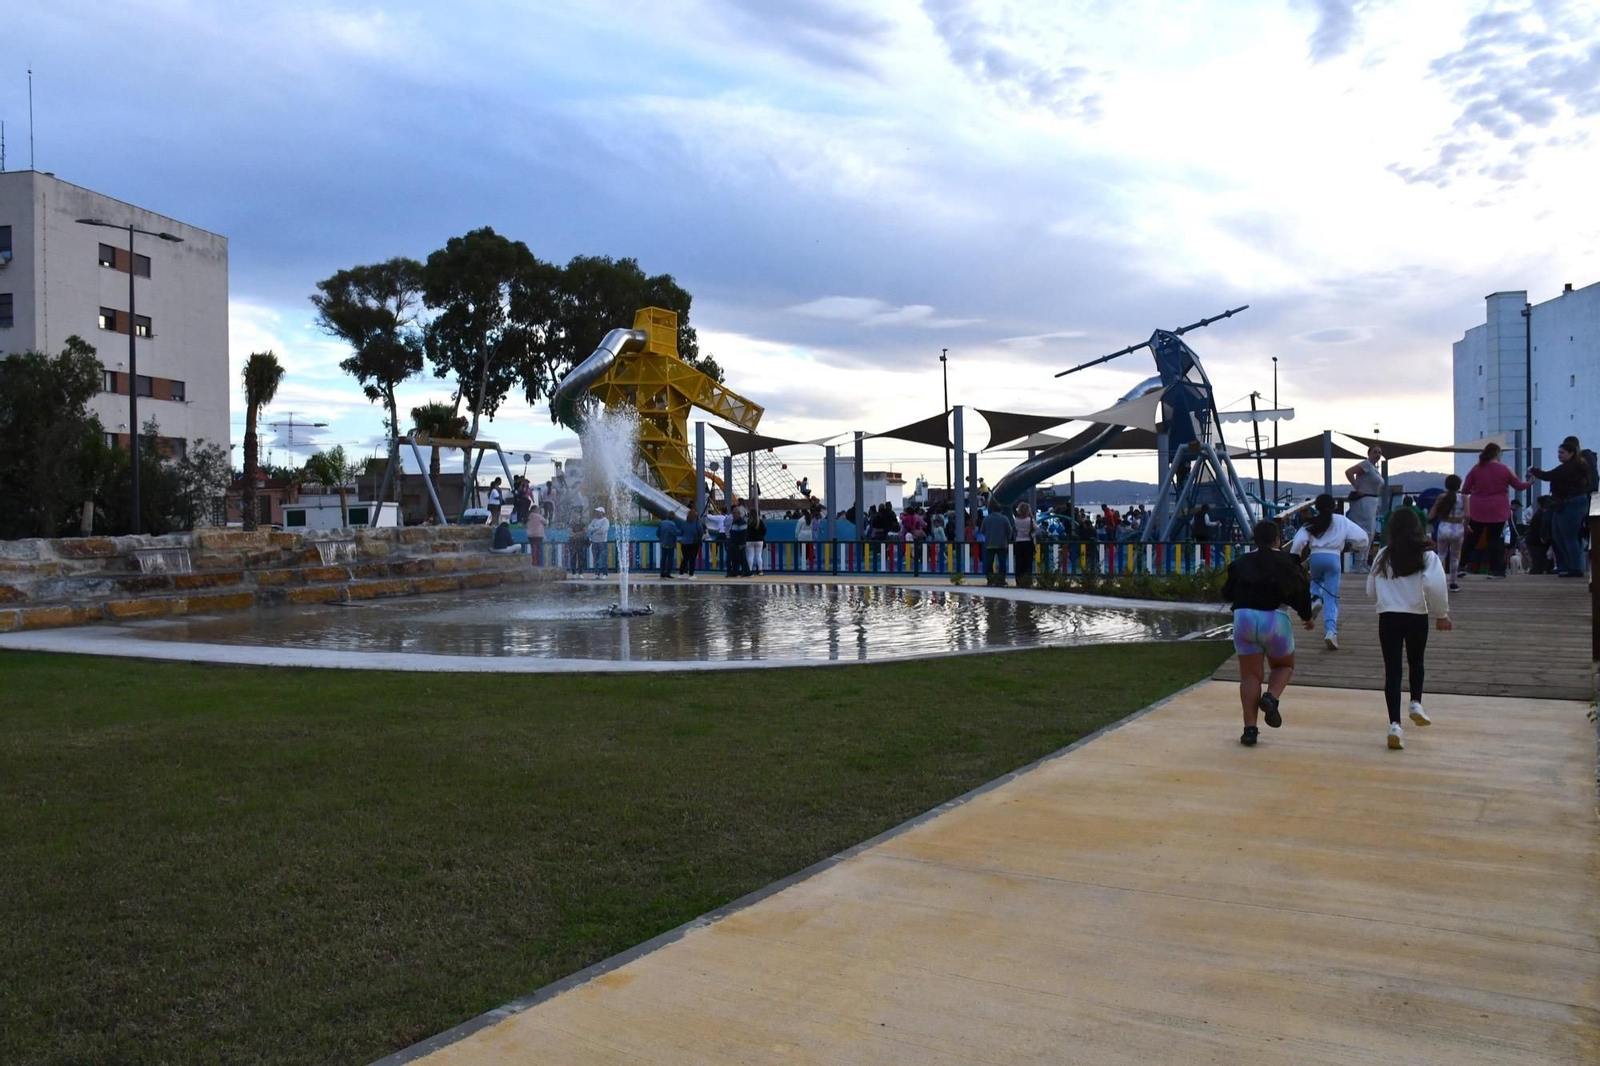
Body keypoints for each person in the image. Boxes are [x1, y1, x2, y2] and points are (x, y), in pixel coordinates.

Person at [1221, 519, 1315, 747]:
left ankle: (1250, 730)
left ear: (1254, 540)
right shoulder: (1287, 562)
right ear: (1278, 540)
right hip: (1274, 619)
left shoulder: (1241, 562)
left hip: (1244, 619)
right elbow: (1300, 591)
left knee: (1250, 677)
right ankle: (1271, 697)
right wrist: (1306, 616)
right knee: (1284, 666)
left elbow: (1227, 592)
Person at [1366, 508, 1452, 750]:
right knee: (1416, 661)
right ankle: (1415, 702)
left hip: (1388, 617)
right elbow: (1435, 586)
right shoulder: (1427, 555)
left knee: (1392, 670)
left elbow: (1370, 590)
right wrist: (1442, 615)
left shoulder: (1383, 554)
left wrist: (1386, 596)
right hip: (1416, 615)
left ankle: (1394, 725)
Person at [1289, 493, 1370, 651]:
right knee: (1331, 596)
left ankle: (1315, 599)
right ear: (1333, 506)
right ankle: (1330, 631)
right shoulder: (1341, 520)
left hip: (1316, 557)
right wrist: (1355, 548)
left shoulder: (1310, 523)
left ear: (1316, 507)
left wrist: (1295, 558)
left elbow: (1298, 542)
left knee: (1316, 581)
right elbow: (1362, 538)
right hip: (1333, 558)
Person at [1460, 442, 1532, 579]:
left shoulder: (1476, 469)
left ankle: (1461, 566)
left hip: (1478, 509)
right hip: (1498, 509)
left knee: (1472, 539)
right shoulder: (1505, 469)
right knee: (1495, 540)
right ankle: (1496, 570)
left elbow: (1465, 490)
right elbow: (1519, 486)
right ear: (1498, 453)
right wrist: (1530, 482)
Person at [1527, 435, 1591, 577]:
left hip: (1570, 503)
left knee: (1568, 536)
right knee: (1558, 535)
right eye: (1558, 452)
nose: (1559, 455)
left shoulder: (1569, 467)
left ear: (1571, 453)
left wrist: (1533, 470)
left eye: (1562, 452)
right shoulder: (1577, 465)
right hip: (1567, 503)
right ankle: (1567, 566)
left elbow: (1548, 476)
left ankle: (1575, 568)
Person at [1344, 445, 1384, 572]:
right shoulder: (1366, 465)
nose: (1377, 454)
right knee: (1364, 531)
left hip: (1372, 501)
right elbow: (1349, 472)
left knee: (1371, 532)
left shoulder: (1374, 468)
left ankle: (1363, 561)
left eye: (1379, 453)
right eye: (1375, 452)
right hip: (1364, 500)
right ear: (1369, 453)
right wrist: (1357, 487)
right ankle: (1358, 562)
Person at [1427, 475, 1468, 591]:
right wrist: (1466, 526)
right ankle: (1453, 583)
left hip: (1443, 527)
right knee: (1455, 557)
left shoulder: (1441, 497)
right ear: (1459, 485)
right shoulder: (1464, 498)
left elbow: (1430, 516)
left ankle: (1436, 581)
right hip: (1458, 528)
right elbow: (1468, 515)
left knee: (1441, 554)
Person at [980, 504, 1015, 586]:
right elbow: (1009, 531)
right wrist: (1007, 538)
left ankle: (990, 579)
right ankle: (1001, 580)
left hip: (989, 543)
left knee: (989, 563)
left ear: (991, 510)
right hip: (1002, 544)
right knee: (1002, 563)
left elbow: (982, 530)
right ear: (1001, 510)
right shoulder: (1004, 518)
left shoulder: (986, 518)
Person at [1012, 502, 1038, 588]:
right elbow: (1036, 529)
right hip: (1028, 542)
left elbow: (1015, 530)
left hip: (1018, 542)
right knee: (1028, 563)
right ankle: (1027, 581)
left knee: (1019, 563)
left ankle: (1018, 580)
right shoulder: (1030, 520)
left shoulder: (1016, 520)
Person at [585, 506, 610, 578]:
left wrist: (594, 530)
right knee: (596, 558)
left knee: (604, 558)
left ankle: (605, 574)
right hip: (594, 542)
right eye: (597, 512)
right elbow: (589, 528)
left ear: (602, 513)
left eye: (598, 512)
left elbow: (603, 530)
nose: (597, 513)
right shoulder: (594, 520)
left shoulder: (605, 521)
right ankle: (596, 573)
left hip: (602, 541)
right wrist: (597, 528)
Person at [678, 506, 703, 578]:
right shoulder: (697, 523)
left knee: (685, 558)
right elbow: (701, 532)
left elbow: (681, 533)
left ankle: (681, 573)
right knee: (692, 559)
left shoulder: (684, 523)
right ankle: (691, 574)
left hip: (684, 543)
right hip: (693, 543)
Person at [727, 504, 751, 577]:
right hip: (733, 543)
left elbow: (744, 534)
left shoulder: (741, 522)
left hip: (739, 544)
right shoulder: (734, 521)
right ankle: (735, 572)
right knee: (734, 559)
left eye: (735, 513)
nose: (733, 514)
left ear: (739, 513)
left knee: (742, 558)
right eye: (733, 513)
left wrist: (742, 544)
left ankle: (747, 572)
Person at [656, 513, 678, 579]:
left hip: (663, 543)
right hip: (670, 544)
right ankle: (668, 573)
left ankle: (662, 573)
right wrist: (675, 543)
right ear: (673, 517)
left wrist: (661, 539)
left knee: (663, 558)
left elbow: (657, 533)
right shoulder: (673, 524)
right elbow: (674, 534)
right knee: (670, 559)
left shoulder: (662, 523)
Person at [747, 509, 767, 575]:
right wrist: (761, 536)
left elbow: (746, 531)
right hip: (759, 540)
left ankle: (750, 570)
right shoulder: (759, 521)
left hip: (750, 540)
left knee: (750, 555)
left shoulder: (748, 522)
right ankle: (760, 570)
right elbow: (764, 530)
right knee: (758, 555)